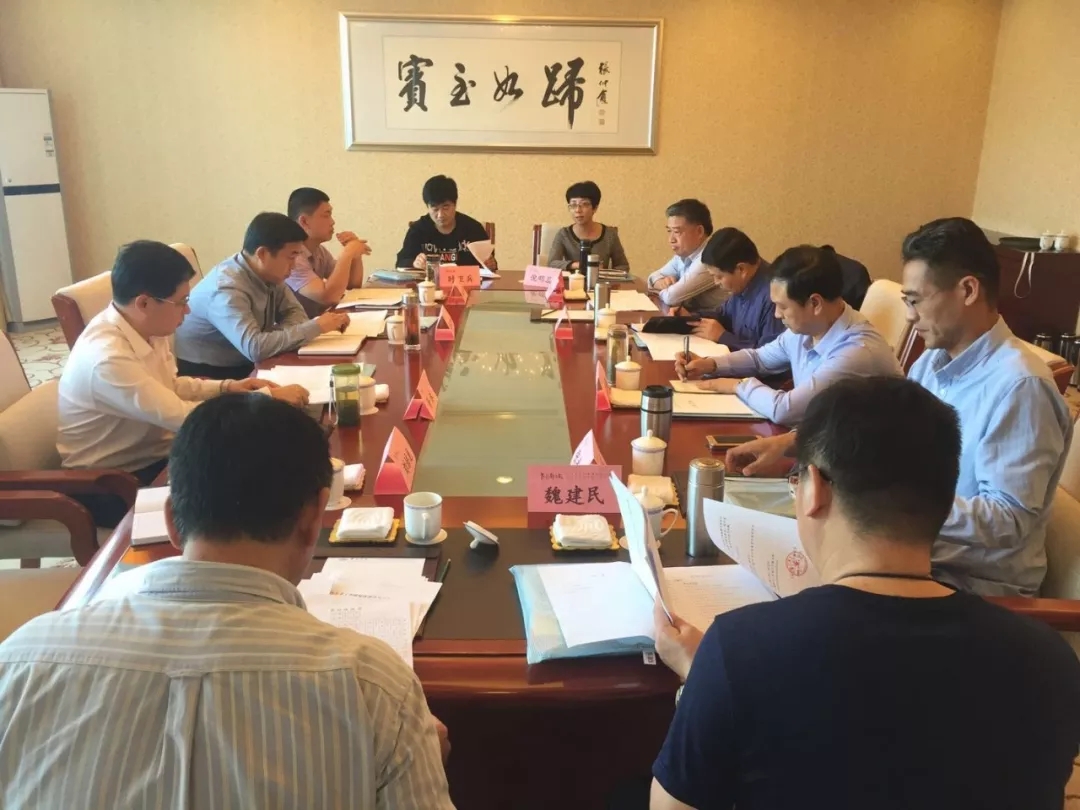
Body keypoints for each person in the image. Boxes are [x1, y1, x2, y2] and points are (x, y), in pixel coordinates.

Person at [0, 394, 455, 809]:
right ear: (314, 517)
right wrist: (412, 755)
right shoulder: (375, 688)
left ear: (172, 520)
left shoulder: (20, 661)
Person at [650, 376, 1080, 810]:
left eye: (795, 481)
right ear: (946, 499)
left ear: (815, 489)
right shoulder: (1052, 661)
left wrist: (701, 680)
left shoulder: (738, 649)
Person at [724, 218, 1074, 597]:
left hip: (970, 588)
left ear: (968, 290)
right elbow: (883, 433)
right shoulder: (933, 362)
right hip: (908, 558)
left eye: (916, 301)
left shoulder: (1021, 387)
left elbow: (1010, 522)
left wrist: (889, 507)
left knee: (785, 607)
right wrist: (791, 444)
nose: (909, 316)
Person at [57, 240, 309, 527]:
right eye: (181, 302)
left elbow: (170, 386)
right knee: (247, 492)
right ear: (144, 303)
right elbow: (182, 417)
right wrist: (264, 399)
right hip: (112, 485)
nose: (187, 311)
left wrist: (228, 387)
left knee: (264, 463)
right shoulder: (107, 358)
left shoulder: (146, 326)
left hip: (156, 457)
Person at [675, 245, 902, 425]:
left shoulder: (857, 351)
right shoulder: (809, 327)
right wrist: (710, 364)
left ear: (815, 303)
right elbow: (760, 358)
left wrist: (737, 385)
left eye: (783, 306)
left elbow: (785, 410)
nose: (776, 314)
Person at [175, 212, 350, 380]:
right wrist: (316, 327)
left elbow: (296, 313)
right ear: (262, 254)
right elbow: (255, 348)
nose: (294, 265)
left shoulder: (270, 273)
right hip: (213, 374)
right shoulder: (226, 288)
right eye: (291, 256)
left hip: (249, 362)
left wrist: (272, 338)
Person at [683, 227, 784, 350]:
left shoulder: (775, 296)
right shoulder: (743, 283)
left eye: (719, 277)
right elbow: (723, 315)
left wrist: (723, 337)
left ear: (741, 269)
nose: (716, 282)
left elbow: (770, 355)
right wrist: (689, 316)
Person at [285, 187, 371, 317]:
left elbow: (352, 285)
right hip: (298, 327)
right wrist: (347, 254)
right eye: (326, 215)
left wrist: (355, 255)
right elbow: (328, 297)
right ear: (304, 221)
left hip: (316, 323)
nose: (332, 222)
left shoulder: (319, 250)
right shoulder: (292, 257)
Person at [395, 174, 496, 269]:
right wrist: (414, 263)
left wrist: (491, 264)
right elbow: (401, 262)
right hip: (430, 282)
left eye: (446, 207)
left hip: (465, 281)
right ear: (427, 207)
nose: (440, 215)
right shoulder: (418, 230)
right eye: (435, 209)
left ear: (455, 204)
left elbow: (490, 265)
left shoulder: (473, 228)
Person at [646, 199, 727, 311]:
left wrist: (662, 289)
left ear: (699, 231)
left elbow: (671, 298)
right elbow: (652, 277)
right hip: (694, 315)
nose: (671, 239)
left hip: (718, 320)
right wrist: (660, 282)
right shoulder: (684, 254)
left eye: (677, 232)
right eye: (669, 231)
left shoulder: (709, 257)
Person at [545, 181, 630, 274]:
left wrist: (607, 273)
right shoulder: (564, 234)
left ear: (595, 208)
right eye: (573, 205)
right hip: (573, 281)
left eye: (584, 204)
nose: (578, 210)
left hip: (601, 281)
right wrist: (579, 265)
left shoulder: (609, 234)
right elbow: (552, 263)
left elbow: (623, 266)